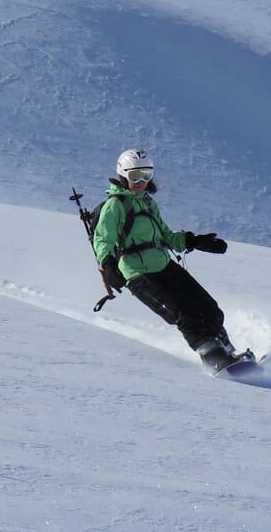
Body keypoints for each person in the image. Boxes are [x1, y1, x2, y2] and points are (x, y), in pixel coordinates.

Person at [92, 148, 250, 372]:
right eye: (135, 176)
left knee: (209, 310)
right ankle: (216, 361)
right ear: (123, 175)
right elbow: (103, 240)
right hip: (138, 273)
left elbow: (166, 236)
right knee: (185, 316)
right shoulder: (115, 205)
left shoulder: (148, 203)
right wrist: (108, 266)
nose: (141, 181)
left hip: (164, 265)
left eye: (146, 175)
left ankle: (229, 353)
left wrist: (193, 241)